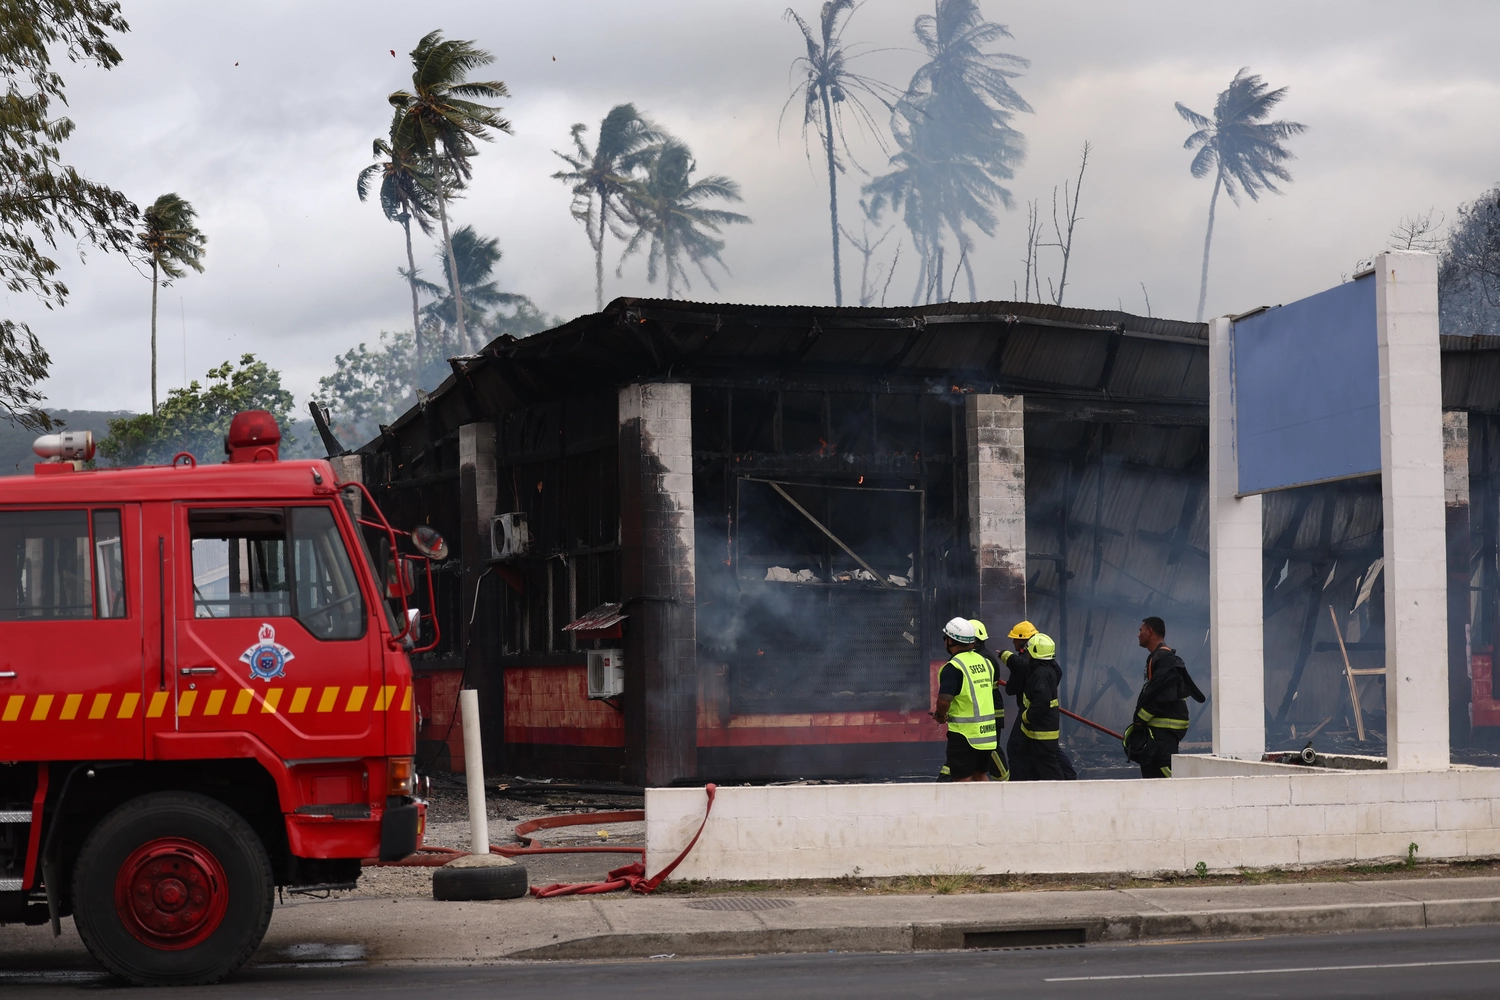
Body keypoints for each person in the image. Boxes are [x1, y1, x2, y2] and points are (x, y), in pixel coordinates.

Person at [1123, 616, 1206, 778]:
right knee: (1150, 770)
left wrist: (1141, 718)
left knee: (1163, 773)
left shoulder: (1163, 658)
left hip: (1165, 730)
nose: (1138, 634)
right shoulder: (1159, 658)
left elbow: (1164, 696)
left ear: (1150, 631)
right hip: (1160, 730)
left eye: (1141, 630)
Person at [932, 617, 999, 782]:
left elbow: (944, 700)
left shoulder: (953, 667)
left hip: (964, 736)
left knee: (962, 781)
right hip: (987, 734)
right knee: (980, 775)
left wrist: (940, 716)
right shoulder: (985, 662)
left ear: (950, 641)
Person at [1001, 631, 1068, 780]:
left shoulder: (1041, 674)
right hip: (1035, 730)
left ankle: (1062, 789)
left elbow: (1041, 704)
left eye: (1029, 650)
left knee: (1047, 764)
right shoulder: (1045, 669)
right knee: (1024, 756)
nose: (1027, 653)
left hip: (1042, 730)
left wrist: (1026, 717)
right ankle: (1028, 787)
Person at [969, 619, 1010, 781]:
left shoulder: (983, 659)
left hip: (990, 709)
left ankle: (1004, 782)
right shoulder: (981, 656)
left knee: (991, 748)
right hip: (988, 708)